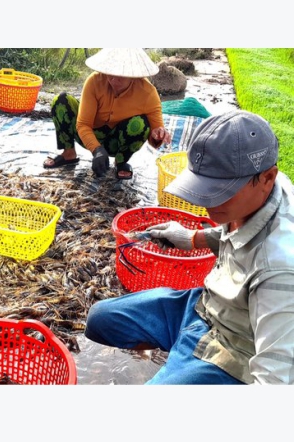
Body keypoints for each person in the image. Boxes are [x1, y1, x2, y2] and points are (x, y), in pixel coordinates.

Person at [85, 109, 294, 384]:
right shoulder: (267, 187)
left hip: (236, 347)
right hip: (206, 304)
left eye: (220, 191)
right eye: (202, 187)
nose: (207, 203)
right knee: (101, 319)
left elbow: (275, 381)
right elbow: (240, 232)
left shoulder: (279, 269)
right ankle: (180, 359)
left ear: (267, 178)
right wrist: (192, 238)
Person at [43, 47, 172, 179]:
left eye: (121, 76)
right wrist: (96, 150)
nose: (114, 80)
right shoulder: (94, 81)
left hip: (118, 141)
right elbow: (83, 124)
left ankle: (121, 161)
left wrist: (157, 135)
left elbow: (155, 132)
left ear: (134, 76)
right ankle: (68, 153)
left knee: (140, 124)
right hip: (89, 135)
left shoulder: (148, 93)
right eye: (110, 73)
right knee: (61, 100)